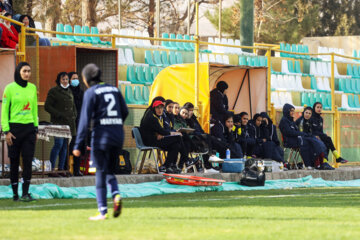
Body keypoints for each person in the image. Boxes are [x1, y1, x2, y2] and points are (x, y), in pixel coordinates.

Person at [73, 63, 126, 220]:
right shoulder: (114, 89)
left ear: (87, 79)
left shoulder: (91, 92)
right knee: (109, 170)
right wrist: (115, 123)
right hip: (117, 135)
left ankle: (102, 211)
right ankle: (116, 194)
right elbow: (125, 111)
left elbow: (84, 120)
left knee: (100, 173)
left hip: (101, 136)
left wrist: (78, 145)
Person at [1, 62, 38, 201]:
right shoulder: (9, 88)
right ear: (18, 72)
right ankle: (15, 194)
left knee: (28, 162)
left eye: (29, 71)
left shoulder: (32, 88)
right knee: (14, 162)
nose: (27, 74)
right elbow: (4, 111)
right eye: (24, 71)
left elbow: (34, 109)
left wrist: (36, 129)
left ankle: (25, 193)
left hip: (29, 129)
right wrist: (6, 131)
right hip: (14, 130)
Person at [140, 97, 190, 173]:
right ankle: (186, 160)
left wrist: (161, 133)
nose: (160, 110)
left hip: (156, 138)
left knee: (176, 145)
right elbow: (162, 130)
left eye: (161, 108)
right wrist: (173, 133)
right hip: (151, 141)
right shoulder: (151, 116)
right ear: (154, 108)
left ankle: (166, 166)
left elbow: (160, 129)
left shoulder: (156, 114)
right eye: (158, 108)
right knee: (178, 138)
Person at [279, 103, 333, 170]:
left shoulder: (291, 120)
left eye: (293, 111)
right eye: (291, 111)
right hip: (289, 141)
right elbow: (289, 132)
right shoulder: (284, 121)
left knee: (314, 140)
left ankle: (320, 162)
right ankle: (311, 164)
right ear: (287, 111)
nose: (293, 112)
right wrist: (301, 134)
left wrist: (303, 134)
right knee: (308, 141)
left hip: (297, 139)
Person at [45, 72, 77, 173]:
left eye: (67, 79)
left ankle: (61, 169)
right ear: (59, 80)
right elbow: (47, 106)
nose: (65, 81)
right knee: (58, 144)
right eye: (63, 79)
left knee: (65, 147)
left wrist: (74, 115)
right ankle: (51, 169)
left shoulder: (70, 91)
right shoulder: (54, 91)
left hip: (69, 123)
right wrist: (58, 114)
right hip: (58, 122)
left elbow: (73, 106)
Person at [68, 72, 84, 176]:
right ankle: (66, 169)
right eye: (73, 78)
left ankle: (77, 170)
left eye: (77, 78)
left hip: (80, 122)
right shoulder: (67, 91)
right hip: (70, 122)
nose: (76, 80)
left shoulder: (81, 92)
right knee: (68, 146)